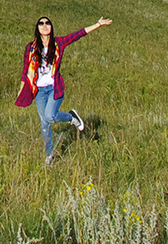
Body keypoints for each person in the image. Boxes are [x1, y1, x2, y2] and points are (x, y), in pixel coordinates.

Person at [14, 13, 111, 166]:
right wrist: (21, 89)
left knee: (51, 116)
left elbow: (78, 34)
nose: (44, 25)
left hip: (54, 88)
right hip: (38, 90)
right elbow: (26, 69)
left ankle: (72, 118)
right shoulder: (31, 48)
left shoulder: (58, 43)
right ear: (37, 28)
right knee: (44, 123)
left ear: (51, 27)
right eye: (41, 23)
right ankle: (50, 155)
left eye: (47, 23)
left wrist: (97, 25)